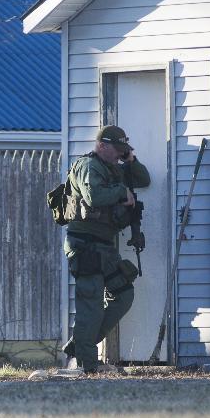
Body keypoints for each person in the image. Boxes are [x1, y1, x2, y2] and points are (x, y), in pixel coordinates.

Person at [60, 125, 151, 374]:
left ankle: (80, 344)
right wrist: (121, 192)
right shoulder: (88, 166)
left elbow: (143, 179)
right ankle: (89, 364)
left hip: (104, 246)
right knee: (91, 304)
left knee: (123, 295)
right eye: (116, 149)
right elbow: (94, 197)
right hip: (85, 245)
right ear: (102, 145)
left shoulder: (113, 169)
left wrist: (130, 160)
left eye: (122, 150)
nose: (119, 155)